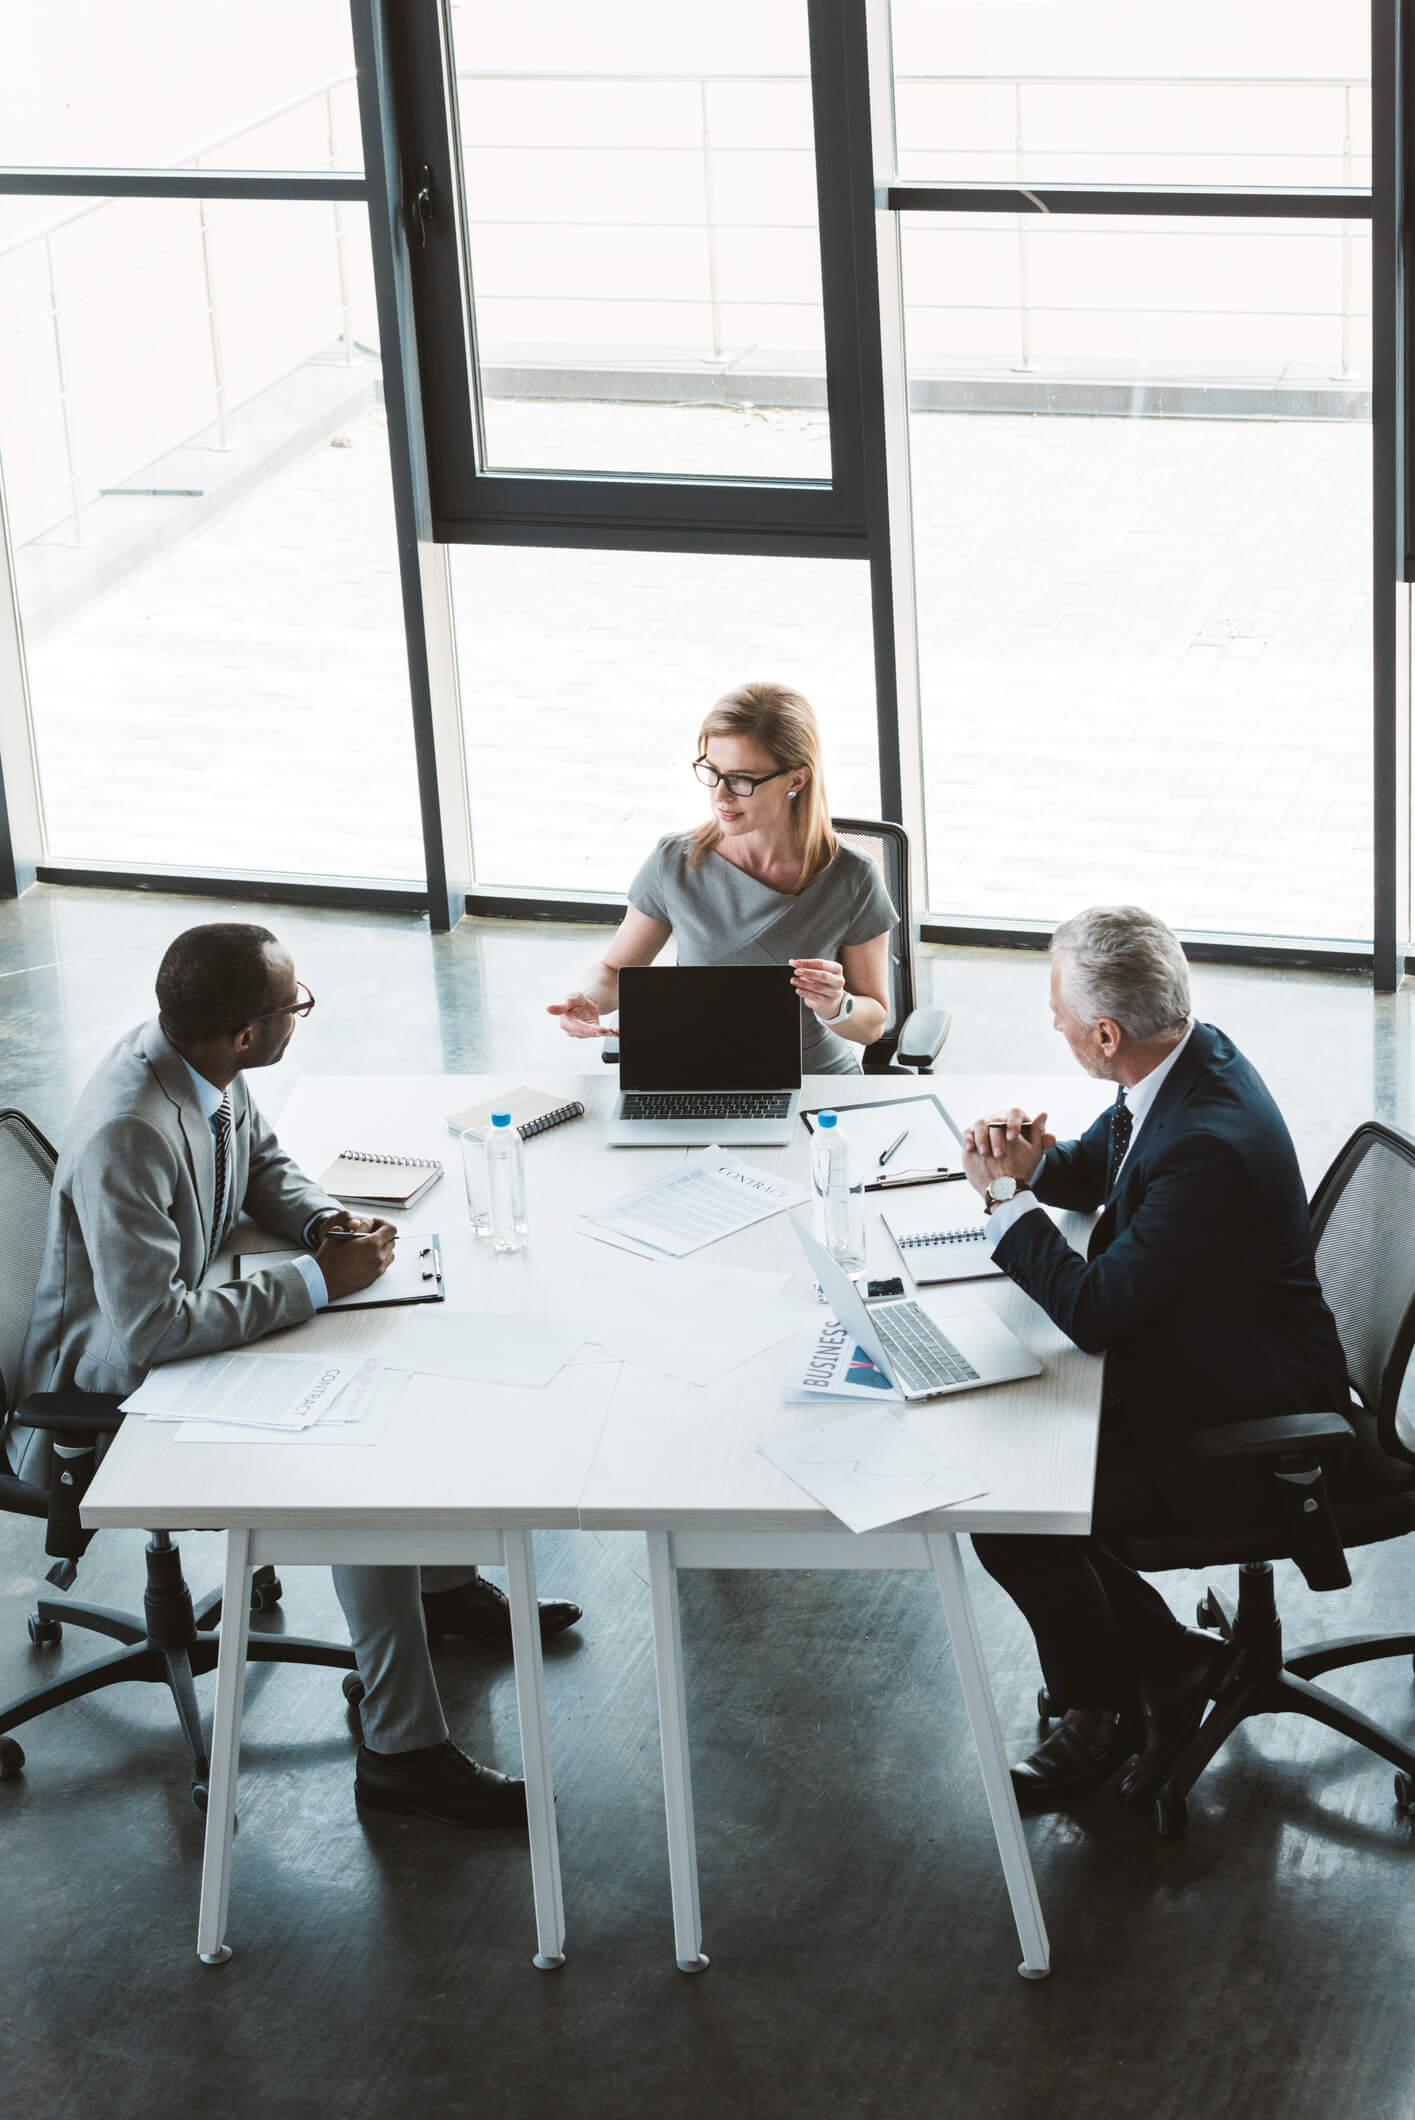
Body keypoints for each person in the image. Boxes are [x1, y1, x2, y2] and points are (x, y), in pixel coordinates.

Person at [18, 922, 581, 1828]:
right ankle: (402, 1754)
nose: (301, 1014)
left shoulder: (192, 1062)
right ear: (244, 1032)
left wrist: (324, 1228)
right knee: (353, 1477)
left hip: (196, 1311)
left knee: (410, 1371)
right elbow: (150, 1329)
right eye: (294, 1004)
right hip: (121, 1386)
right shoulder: (133, 1125)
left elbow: (260, 1165)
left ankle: (438, 1591)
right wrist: (317, 1283)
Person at [958, 905, 1349, 1806]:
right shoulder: (1184, 1060)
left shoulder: (1206, 1141)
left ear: (1104, 1032)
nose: (1052, 1026)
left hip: (1246, 1418)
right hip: (1217, 1355)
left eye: (1058, 1013)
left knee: (1014, 1507)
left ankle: (1104, 1716)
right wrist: (1029, 1164)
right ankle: (1168, 1661)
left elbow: (1094, 1311)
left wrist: (1004, 1210)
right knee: (1017, 1471)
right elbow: (1106, 1164)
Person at [547, 682, 897, 1073]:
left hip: (814, 1081)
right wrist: (586, 998)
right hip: (699, 1074)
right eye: (712, 772)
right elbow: (614, 971)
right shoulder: (675, 861)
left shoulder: (853, 877)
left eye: (742, 780)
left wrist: (837, 1005)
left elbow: (873, 1022)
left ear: (796, 780)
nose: (721, 796)